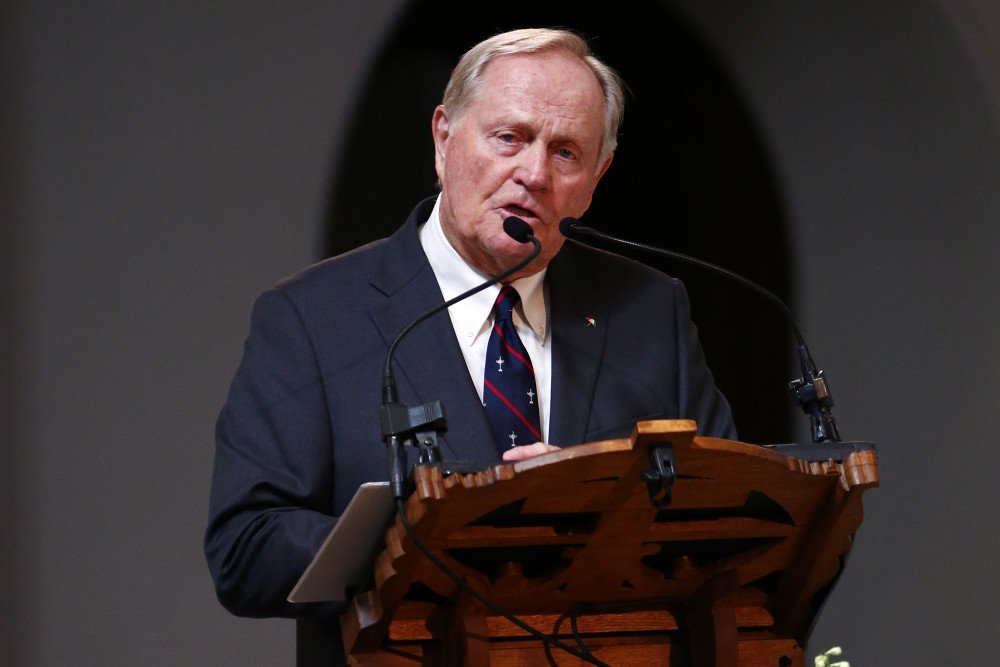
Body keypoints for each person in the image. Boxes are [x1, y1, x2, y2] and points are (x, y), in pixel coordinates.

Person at [205, 27, 737, 664]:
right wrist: (429, 535)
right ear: (443, 137)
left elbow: (731, 520)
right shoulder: (313, 318)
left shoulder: (649, 310)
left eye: (566, 152)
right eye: (509, 137)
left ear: (597, 178)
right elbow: (247, 549)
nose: (534, 174)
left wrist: (596, 504)